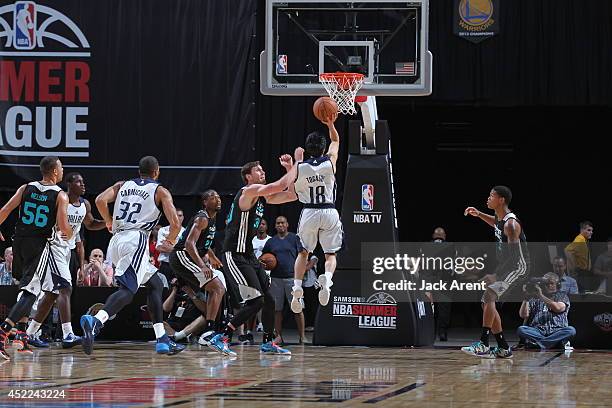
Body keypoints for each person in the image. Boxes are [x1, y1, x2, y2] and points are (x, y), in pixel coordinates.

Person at [79, 156, 184, 355]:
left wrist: (109, 221)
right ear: (157, 171)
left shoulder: (122, 185)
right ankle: (96, 321)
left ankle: (161, 339)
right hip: (136, 240)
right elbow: (176, 225)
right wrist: (169, 240)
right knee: (128, 291)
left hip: (117, 240)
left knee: (155, 284)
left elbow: (100, 200)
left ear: (140, 172)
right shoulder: (160, 190)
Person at [210, 151, 302, 356]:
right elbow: (279, 186)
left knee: (269, 299)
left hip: (249, 255)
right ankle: (222, 336)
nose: (262, 172)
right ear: (248, 177)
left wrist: (289, 169)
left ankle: (268, 341)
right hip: (233, 254)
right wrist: (297, 162)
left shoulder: (261, 197)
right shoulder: (248, 191)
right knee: (257, 301)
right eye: (258, 170)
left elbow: (291, 194)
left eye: (262, 169)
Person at [0, 156, 73, 361]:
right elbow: (64, 228)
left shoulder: (25, 188)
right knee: (31, 293)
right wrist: (69, 232)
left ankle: (22, 338)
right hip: (38, 245)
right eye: (61, 166)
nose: (63, 169)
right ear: (55, 172)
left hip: (19, 242)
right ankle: (3, 332)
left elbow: (5, 210)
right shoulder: (60, 195)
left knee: (25, 288)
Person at [24, 172, 107, 349]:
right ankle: (68, 334)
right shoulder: (60, 199)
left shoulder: (85, 204)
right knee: (65, 288)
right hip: (52, 247)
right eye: (79, 182)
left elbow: (90, 224)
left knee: (52, 293)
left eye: (83, 181)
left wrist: (108, 222)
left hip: (66, 251)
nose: (83, 185)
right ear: (69, 185)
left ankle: (30, 333)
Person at [462, 186, 530, 359]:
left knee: (488, 297)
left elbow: (515, 257)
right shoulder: (501, 219)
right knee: (486, 302)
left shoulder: (511, 224)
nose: (488, 198)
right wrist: (479, 214)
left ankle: (484, 344)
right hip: (508, 266)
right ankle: (503, 347)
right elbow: (495, 222)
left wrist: (496, 275)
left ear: (501, 200)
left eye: (491, 196)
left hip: (518, 267)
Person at [289, 113, 343, 315]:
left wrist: (296, 160)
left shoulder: (300, 168)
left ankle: (296, 288)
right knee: (330, 254)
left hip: (309, 212)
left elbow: (288, 185)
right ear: (322, 148)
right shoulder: (330, 163)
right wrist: (330, 124)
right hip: (329, 211)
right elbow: (336, 140)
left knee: (303, 252)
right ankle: (327, 280)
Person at [168, 190, 227, 349]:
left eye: (219, 196)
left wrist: (212, 256)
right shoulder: (202, 217)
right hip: (182, 256)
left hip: (190, 258)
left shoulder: (212, 219)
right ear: (205, 202)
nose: (218, 199)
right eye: (214, 197)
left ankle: (205, 331)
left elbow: (203, 243)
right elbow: (189, 244)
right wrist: (202, 265)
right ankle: (208, 332)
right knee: (217, 288)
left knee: (217, 291)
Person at [262, 216, 305, 344]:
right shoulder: (271, 242)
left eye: (282, 223)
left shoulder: (294, 238)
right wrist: (265, 263)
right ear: (275, 226)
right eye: (278, 223)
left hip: (293, 278)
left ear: (287, 224)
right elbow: (263, 258)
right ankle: (278, 336)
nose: (280, 225)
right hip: (276, 278)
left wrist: (304, 270)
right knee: (277, 310)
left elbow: (303, 255)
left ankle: (302, 337)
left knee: (298, 308)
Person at [516, 273, 576, 349]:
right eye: (546, 284)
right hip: (538, 331)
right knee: (521, 329)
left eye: (551, 283)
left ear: (558, 285)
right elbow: (523, 315)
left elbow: (558, 308)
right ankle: (553, 343)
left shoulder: (562, 296)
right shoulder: (534, 298)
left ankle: (540, 344)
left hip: (557, 330)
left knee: (571, 330)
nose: (548, 286)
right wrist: (526, 298)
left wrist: (541, 296)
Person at [157, 209, 185, 282]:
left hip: (180, 265)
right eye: (176, 215)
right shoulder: (163, 230)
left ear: (183, 217)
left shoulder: (186, 232)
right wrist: (177, 249)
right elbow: (159, 248)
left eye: (180, 215)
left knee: (180, 290)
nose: (178, 218)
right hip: (165, 265)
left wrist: (168, 245)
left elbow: (185, 251)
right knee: (163, 289)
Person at [565, 221, 594, 292]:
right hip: (580, 273)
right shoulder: (580, 239)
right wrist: (574, 267)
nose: (591, 232)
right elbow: (567, 250)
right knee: (579, 294)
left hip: (582, 273)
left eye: (592, 230)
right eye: (588, 230)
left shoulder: (582, 240)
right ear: (582, 230)